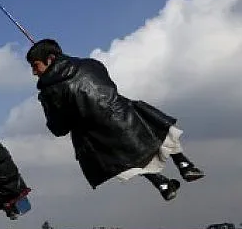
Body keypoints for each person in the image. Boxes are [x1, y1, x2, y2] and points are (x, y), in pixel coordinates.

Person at [27, 38, 205, 201]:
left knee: (126, 161)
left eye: (35, 66)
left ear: (50, 59)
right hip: (124, 115)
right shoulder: (91, 64)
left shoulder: (49, 92)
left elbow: (58, 129)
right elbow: (110, 86)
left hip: (99, 137)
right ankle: (184, 164)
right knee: (158, 130)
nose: (34, 72)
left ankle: (162, 183)